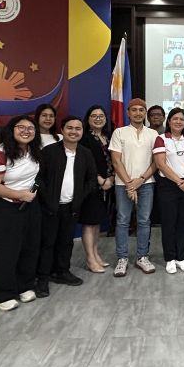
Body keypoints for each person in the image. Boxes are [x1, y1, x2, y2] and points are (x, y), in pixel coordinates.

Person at [0, 115, 43, 311]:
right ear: (11, 129)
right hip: (3, 207)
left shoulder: (33, 151)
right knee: (4, 251)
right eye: (21, 127)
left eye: (31, 128)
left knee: (29, 247)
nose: (26, 131)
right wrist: (18, 195)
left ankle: (24, 285)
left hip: (29, 205)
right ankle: (2, 294)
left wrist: (26, 196)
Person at [35, 116, 97, 297]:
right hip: (49, 206)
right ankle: (43, 278)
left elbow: (91, 179)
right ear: (62, 130)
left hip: (72, 207)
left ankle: (62, 271)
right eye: (69, 128)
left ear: (82, 132)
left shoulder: (85, 153)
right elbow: (39, 177)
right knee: (47, 243)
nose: (74, 131)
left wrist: (79, 197)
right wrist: (46, 198)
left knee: (66, 241)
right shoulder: (49, 151)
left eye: (78, 129)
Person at [109, 98, 158, 277]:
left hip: (146, 184)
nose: (138, 113)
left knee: (144, 221)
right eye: (134, 110)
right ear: (128, 113)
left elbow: (156, 162)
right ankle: (122, 258)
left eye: (141, 110)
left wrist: (140, 180)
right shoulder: (119, 133)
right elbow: (116, 160)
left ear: (145, 113)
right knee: (122, 221)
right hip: (123, 184)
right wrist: (130, 184)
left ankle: (142, 257)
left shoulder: (153, 134)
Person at [153, 108, 184, 274]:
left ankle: (181, 257)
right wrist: (179, 181)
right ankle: (170, 258)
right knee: (169, 223)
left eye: (181, 119)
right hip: (169, 186)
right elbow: (161, 164)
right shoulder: (161, 139)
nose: (178, 122)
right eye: (175, 119)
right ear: (169, 121)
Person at [79, 105, 114, 273]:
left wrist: (111, 178)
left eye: (101, 116)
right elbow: (85, 164)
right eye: (94, 116)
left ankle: (95, 254)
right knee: (89, 222)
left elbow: (113, 160)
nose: (98, 118)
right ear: (88, 119)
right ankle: (90, 259)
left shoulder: (108, 136)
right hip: (92, 186)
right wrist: (100, 180)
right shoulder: (84, 138)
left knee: (97, 222)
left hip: (107, 185)